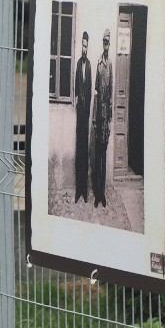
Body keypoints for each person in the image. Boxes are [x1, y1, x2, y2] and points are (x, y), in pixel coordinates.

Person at [92, 28, 113, 208]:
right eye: (104, 42)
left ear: (110, 44)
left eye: (108, 42)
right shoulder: (98, 64)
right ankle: (97, 194)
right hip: (98, 116)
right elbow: (96, 93)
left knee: (104, 157)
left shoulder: (111, 65)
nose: (106, 45)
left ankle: (103, 194)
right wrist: (94, 119)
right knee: (97, 155)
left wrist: (111, 120)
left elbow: (111, 93)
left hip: (106, 118)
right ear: (102, 44)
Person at [74, 31, 92, 203]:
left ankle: (85, 191)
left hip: (86, 116)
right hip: (79, 115)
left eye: (86, 46)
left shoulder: (90, 65)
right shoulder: (78, 65)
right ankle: (78, 191)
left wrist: (87, 113)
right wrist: (79, 107)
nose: (84, 48)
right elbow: (76, 90)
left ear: (88, 46)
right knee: (78, 149)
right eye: (82, 45)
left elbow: (90, 92)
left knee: (85, 151)